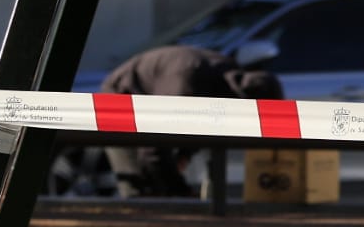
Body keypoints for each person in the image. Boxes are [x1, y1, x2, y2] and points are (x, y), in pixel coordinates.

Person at [98, 44, 284, 197]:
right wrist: (182, 194)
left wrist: (184, 154)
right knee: (138, 187)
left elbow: (199, 128)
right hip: (120, 96)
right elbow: (152, 150)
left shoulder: (225, 80)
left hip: (158, 89)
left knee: (163, 185)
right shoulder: (185, 88)